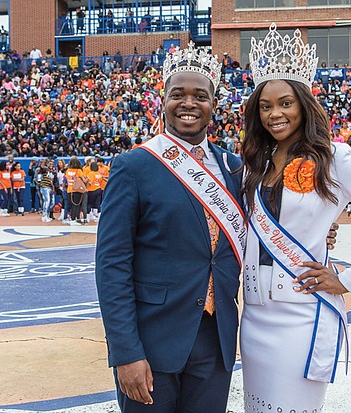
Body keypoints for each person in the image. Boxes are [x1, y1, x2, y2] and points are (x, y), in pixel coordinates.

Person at [239, 24, 351, 412]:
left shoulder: (335, 158)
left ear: (303, 104)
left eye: (285, 103)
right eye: (265, 106)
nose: (274, 114)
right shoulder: (257, 161)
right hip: (253, 317)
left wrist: (348, 280)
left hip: (301, 315)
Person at [95, 42, 245, 412]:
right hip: (152, 342)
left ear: (214, 103)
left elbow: (267, 225)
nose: (189, 104)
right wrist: (125, 353)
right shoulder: (134, 166)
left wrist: (321, 232)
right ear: (162, 100)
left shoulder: (235, 169)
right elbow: (112, 264)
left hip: (216, 338)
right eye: (178, 94)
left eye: (200, 95)